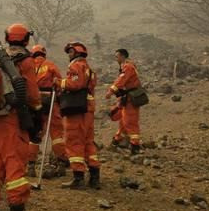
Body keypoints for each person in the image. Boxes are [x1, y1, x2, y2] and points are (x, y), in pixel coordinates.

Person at [0, 23, 42, 211]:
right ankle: (17, 204)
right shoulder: (25, 61)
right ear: (26, 39)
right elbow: (31, 94)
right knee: (14, 161)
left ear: (7, 38)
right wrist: (38, 111)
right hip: (12, 119)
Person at [58, 41, 100, 189]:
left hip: (76, 108)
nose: (68, 55)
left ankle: (78, 178)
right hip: (88, 108)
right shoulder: (89, 68)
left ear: (77, 53)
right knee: (88, 141)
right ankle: (94, 176)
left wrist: (60, 83)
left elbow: (75, 84)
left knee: (73, 140)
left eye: (70, 52)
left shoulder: (76, 65)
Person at [27, 44, 67, 178]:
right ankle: (61, 163)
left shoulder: (29, 66)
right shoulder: (50, 65)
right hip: (50, 100)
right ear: (43, 54)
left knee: (35, 134)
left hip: (35, 103)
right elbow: (59, 83)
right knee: (56, 134)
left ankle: (30, 166)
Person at [105, 48, 142, 154]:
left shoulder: (128, 67)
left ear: (122, 56)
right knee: (122, 120)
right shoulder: (126, 66)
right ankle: (117, 140)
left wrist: (111, 91)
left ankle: (135, 146)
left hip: (130, 98)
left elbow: (121, 80)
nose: (116, 59)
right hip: (126, 98)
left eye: (117, 56)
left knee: (130, 122)